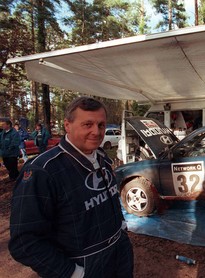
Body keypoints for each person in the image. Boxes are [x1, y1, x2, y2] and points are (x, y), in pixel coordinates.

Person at [9, 97, 134, 277]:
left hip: (119, 253)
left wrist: (120, 228)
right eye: (87, 124)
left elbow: (107, 198)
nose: (96, 132)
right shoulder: (42, 171)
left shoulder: (101, 157)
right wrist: (72, 273)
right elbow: (24, 242)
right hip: (83, 264)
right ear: (67, 125)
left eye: (101, 125)